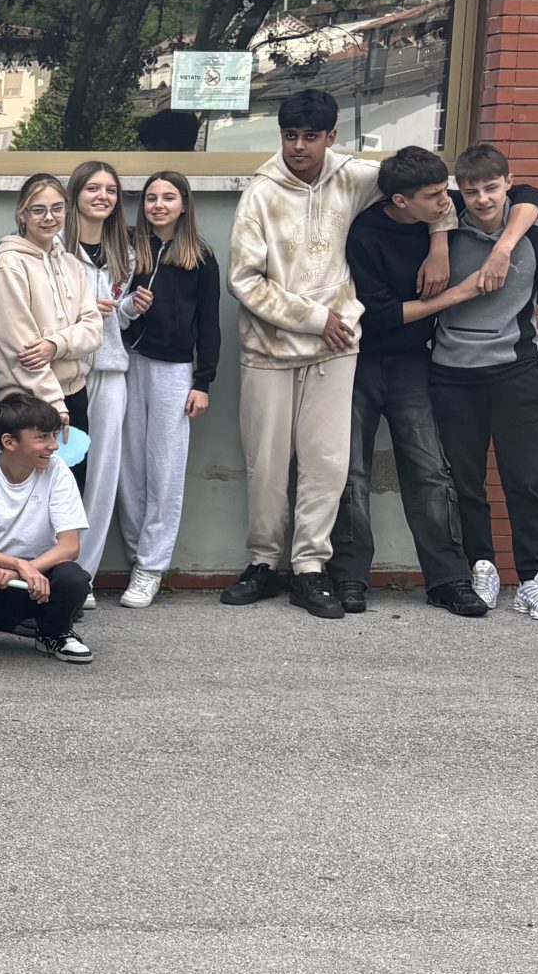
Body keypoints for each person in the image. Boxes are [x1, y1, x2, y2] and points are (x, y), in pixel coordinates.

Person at [222, 89, 376, 619]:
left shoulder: (356, 177)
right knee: (266, 466)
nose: (299, 147)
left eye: (311, 136)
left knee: (326, 463)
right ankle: (263, 563)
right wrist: (314, 318)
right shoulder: (259, 193)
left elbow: (424, 186)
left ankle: (310, 568)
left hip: (337, 347)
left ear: (332, 136)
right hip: (268, 349)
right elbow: (244, 280)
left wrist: (443, 238)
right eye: (290, 136)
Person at [330, 147, 491, 619]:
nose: (447, 201)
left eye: (446, 190)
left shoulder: (440, 213)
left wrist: (439, 244)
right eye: (434, 195)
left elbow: (527, 195)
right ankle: (349, 576)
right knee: (350, 472)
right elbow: (380, 316)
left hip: (415, 364)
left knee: (429, 471)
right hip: (358, 360)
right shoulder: (364, 234)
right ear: (400, 201)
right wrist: (458, 294)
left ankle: (448, 579)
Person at [432, 143, 538, 622]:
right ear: (459, 192)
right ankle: (482, 568)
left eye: (492, 188)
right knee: (465, 482)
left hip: (516, 372)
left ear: (509, 183)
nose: (483, 199)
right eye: (471, 191)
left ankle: (535, 579)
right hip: (452, 374)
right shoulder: (443, 231)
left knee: (525, 480)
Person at [114, 173, 221, 607]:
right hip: (126, 365)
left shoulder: (201, 258)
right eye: (151, 198)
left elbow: (210, 324)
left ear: (184, 205)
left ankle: (151, 567)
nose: (158, 205)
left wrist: (203, 381)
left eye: (169, 198)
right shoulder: (127, 248)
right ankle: (136, 555)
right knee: (128, 468)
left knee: (165, 468)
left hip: (174, 372)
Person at [0, 392, 92, 663]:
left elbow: (70, 547)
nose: (53, 446)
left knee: (74, 578)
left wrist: (25, 569)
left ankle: (53, 633)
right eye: (42, 437)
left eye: (54, 436)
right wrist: (19, 566)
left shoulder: (58, 470)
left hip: (39, 582)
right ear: (9, 441)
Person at [63, 160, 137, 601]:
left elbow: (119, 321)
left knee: (102, 475)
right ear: (75, 194)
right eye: (93, 188)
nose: (102, 196)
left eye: (110, 190)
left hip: (109, 371)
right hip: (65, 374)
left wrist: (130, 309)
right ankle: (56, 568)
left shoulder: (124, 251)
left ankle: (82, 576)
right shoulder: (55, 246)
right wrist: (85, 304)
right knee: (63, 470)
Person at [0, 173, 102, 426]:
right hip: (29, 400)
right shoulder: (9, 265)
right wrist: (54, 402)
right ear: (22, 214)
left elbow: (94, 330)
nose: (49, 217)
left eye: (57, 208)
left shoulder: (71, 264)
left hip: (75, 393)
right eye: (38, 210)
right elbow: (22, 349)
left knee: (76, 456)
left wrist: (56, 344)